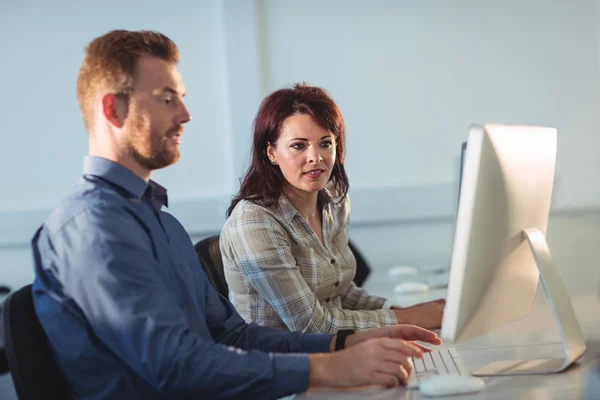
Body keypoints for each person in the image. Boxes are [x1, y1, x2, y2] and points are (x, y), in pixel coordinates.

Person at [31, 30, 442, 400]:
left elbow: (232, 334)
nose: (185, 115)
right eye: (166, 98)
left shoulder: (161, 222)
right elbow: (176, 367)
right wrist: (329, 368)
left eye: (182, 99)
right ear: (113, 109)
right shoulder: (93, 228)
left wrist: (345, 344)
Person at [220, 84, 445, 334]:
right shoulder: (254, 221)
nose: (316, 157)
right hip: (281, 364)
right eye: (299, 145)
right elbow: (311, 326)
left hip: (337, 351)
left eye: (325, 143)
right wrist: (407, 319)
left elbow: (340, 292)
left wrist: (400, 310)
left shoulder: (333, 199)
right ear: (271, 152)